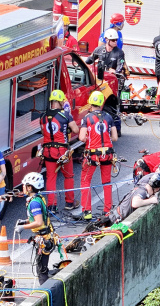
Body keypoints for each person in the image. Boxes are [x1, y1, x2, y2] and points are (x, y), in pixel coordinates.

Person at [78, 91, 118, 220]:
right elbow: (115, 138)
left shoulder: (87, 118)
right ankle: (107, 210)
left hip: (92, 155)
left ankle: (87, 211)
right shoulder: (109, 117)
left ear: (91, 102)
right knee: (106, 182)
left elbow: (81, 137)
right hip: (107, 154)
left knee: (85, 181)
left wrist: (90, 138)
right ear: (101, 103)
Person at [40, 90, 79, 213]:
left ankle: (52, 206)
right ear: (61, 101)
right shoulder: (65, 115)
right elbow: (76, 130)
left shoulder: (43, 116)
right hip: (62, 151)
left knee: (51, 177)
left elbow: (43, 132)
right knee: (68, 176)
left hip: (48, 151)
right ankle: (69, 202)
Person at [16, 173, 56, 284]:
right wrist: (25, 221)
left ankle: (45, 293)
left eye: (24, 185)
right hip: (45, 236)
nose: (23, 187)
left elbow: (38, 222)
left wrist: (23, 227)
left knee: (41, 271)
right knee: (42, 268)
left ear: (30, 187)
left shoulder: (34, 203)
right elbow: (37, 218)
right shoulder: (38, 198)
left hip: (44, 238)